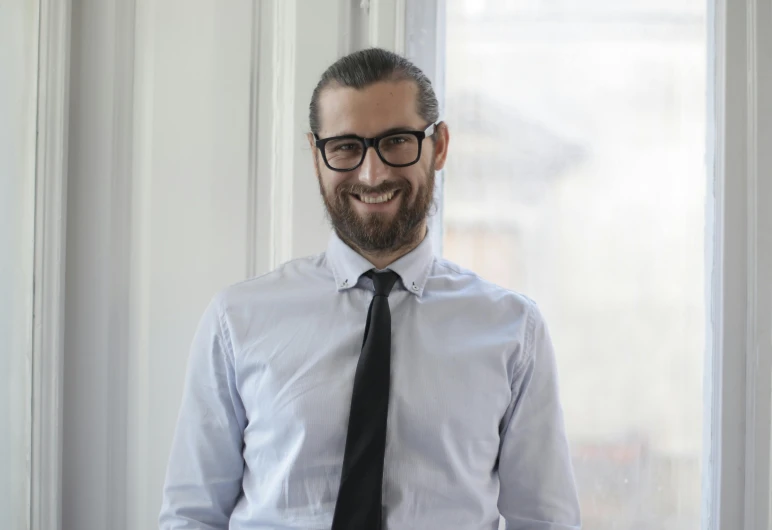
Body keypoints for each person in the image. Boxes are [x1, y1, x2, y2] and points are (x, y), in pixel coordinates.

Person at [159, 48, 581, 530]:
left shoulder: (512, 330)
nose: (372, 173)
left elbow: (544, 521)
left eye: (397, 141)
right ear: (317, 155)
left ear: (438, 146)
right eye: (345, 147)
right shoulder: (237, 320)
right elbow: (192, 516)